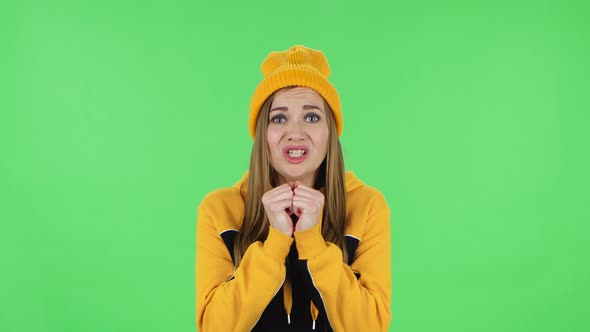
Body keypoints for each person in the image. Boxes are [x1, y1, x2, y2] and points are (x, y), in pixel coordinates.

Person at [195, 45, 391, 331]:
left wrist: (312, 240)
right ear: (263, 133)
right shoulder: (220, 209)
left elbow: (370, 326)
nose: (295, 133)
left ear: (330, 133)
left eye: (312, 117)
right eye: (279, 118)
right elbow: (215, 327)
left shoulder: (367, 205)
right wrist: (275, 242)